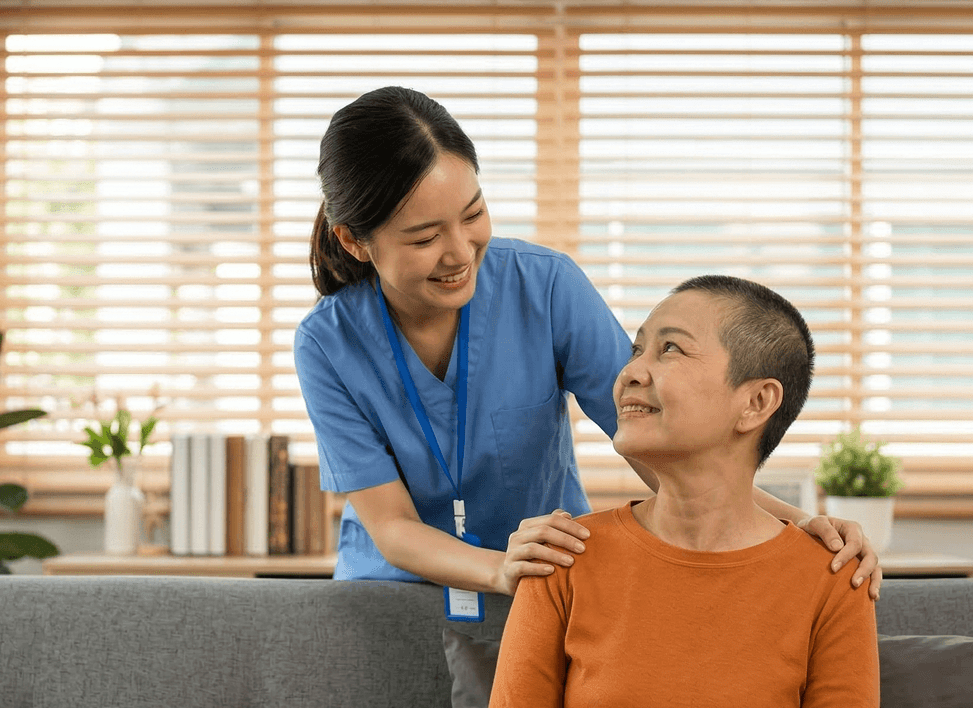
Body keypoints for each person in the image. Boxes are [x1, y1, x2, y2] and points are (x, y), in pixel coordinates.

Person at [293, 85, 881, 598]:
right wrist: (499, 568)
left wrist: (795, 524)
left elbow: (658, 446)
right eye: (425, 238)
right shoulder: (326, 344)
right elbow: (392, 526)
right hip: (395, 594)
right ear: (355, 241)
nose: (460, 252)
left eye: (472, 215)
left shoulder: (546, 287)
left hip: (547, 581)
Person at [479, 276, 880, 708]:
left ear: (756, 402)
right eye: (636, 350)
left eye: (670, 349)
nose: (629, 373)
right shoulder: (563, 553)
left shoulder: (833, 579)